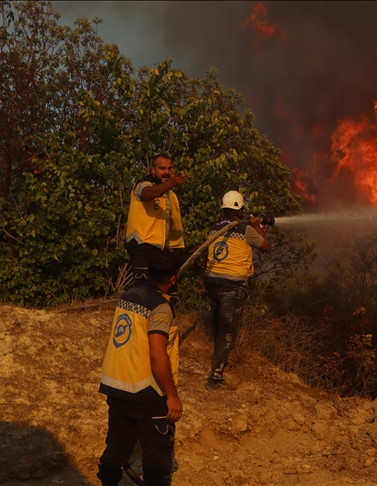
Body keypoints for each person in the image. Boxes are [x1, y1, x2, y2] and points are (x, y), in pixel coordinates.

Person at [97, 252, 183, 486]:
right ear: (173, 279)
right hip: (147, 392)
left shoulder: (127, 296)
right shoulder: (161, 307)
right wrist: (172, 395)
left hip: (116, 386)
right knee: (157, 464)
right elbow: (157, 353)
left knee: (115, 451)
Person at [203, 190, 270, 388]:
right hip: (232, 286)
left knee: (218, 323)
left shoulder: (214, 227)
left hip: (211, 282)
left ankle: (213, 356)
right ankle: (215, 378)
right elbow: (265, 246)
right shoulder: (245, 229)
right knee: (226, 331)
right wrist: (257, 226)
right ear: (240, 210)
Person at [125, 152, 189, 286]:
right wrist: (170, 184)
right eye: (162, 168)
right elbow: (147, 193)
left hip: (159, 247)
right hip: (142, 243)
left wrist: (172, 246)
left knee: (160, 286)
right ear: (153, 170)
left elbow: (170, 222)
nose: (166, 172)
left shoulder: (169, 194)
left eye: (169, 168)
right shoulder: (143, 183)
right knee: (144, 287)